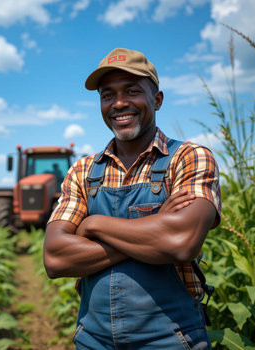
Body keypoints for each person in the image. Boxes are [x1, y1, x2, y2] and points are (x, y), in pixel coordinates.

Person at [43, 48, 221, 349]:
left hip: (173, 340)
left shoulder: (189, 158)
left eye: (133, 91)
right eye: (107, 94)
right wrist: (155, 227)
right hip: (92, 340)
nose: (119, 103)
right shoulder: (83, 171)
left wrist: (93, 224)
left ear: (158, 99)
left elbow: (180, 242)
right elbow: (56, 257)